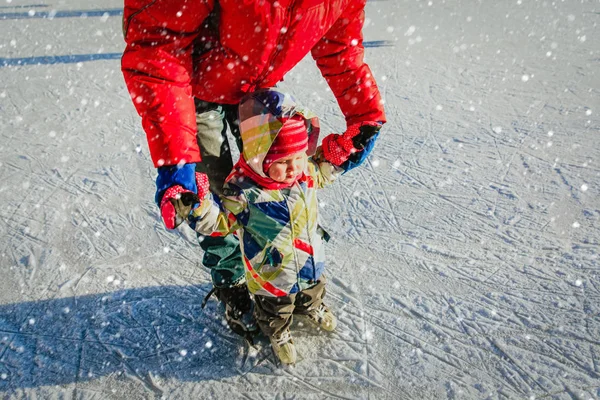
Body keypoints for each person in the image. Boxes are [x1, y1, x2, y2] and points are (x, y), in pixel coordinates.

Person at [121, 0, 387, 336]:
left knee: (274, 185)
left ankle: (281, 273)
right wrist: (177, 158)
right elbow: (158, 41)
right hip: (192, 91)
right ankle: (231, 278)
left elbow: (340, 43)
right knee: (217, 194)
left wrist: (365, 113)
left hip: (260, 93)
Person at [179, 89, 379, 364]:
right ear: (260, 158)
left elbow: (328, 166)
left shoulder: (305, 174)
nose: (293, 167)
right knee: (275, 309)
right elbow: (219, 221)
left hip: (309, 259)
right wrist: (198, 205)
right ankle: (278, 332)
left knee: (313, 288)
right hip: (271, 273)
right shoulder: (244, 193)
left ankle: (312, 306)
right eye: (283, 162)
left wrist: (348, 146)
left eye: (298, 157)